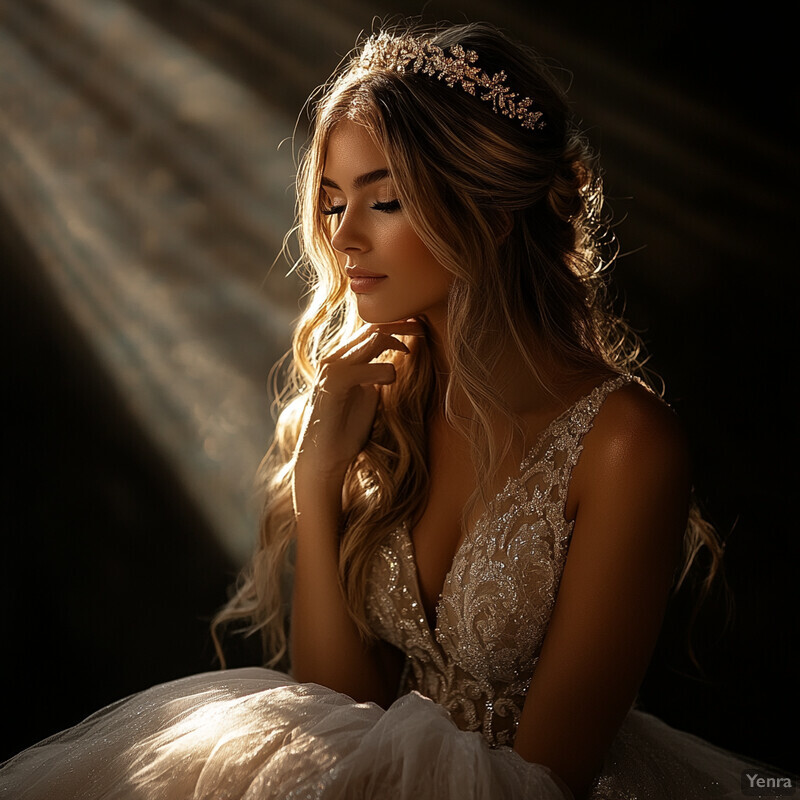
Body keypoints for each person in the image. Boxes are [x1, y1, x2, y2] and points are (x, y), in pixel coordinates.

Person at [0, 20, 795, 800]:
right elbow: (331, 712)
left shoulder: (624, 442)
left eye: (383, 202)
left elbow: (549, 779)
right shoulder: (383, 401)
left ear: (484, 205)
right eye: (333, 201)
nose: (343, 238)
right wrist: (318, 480)